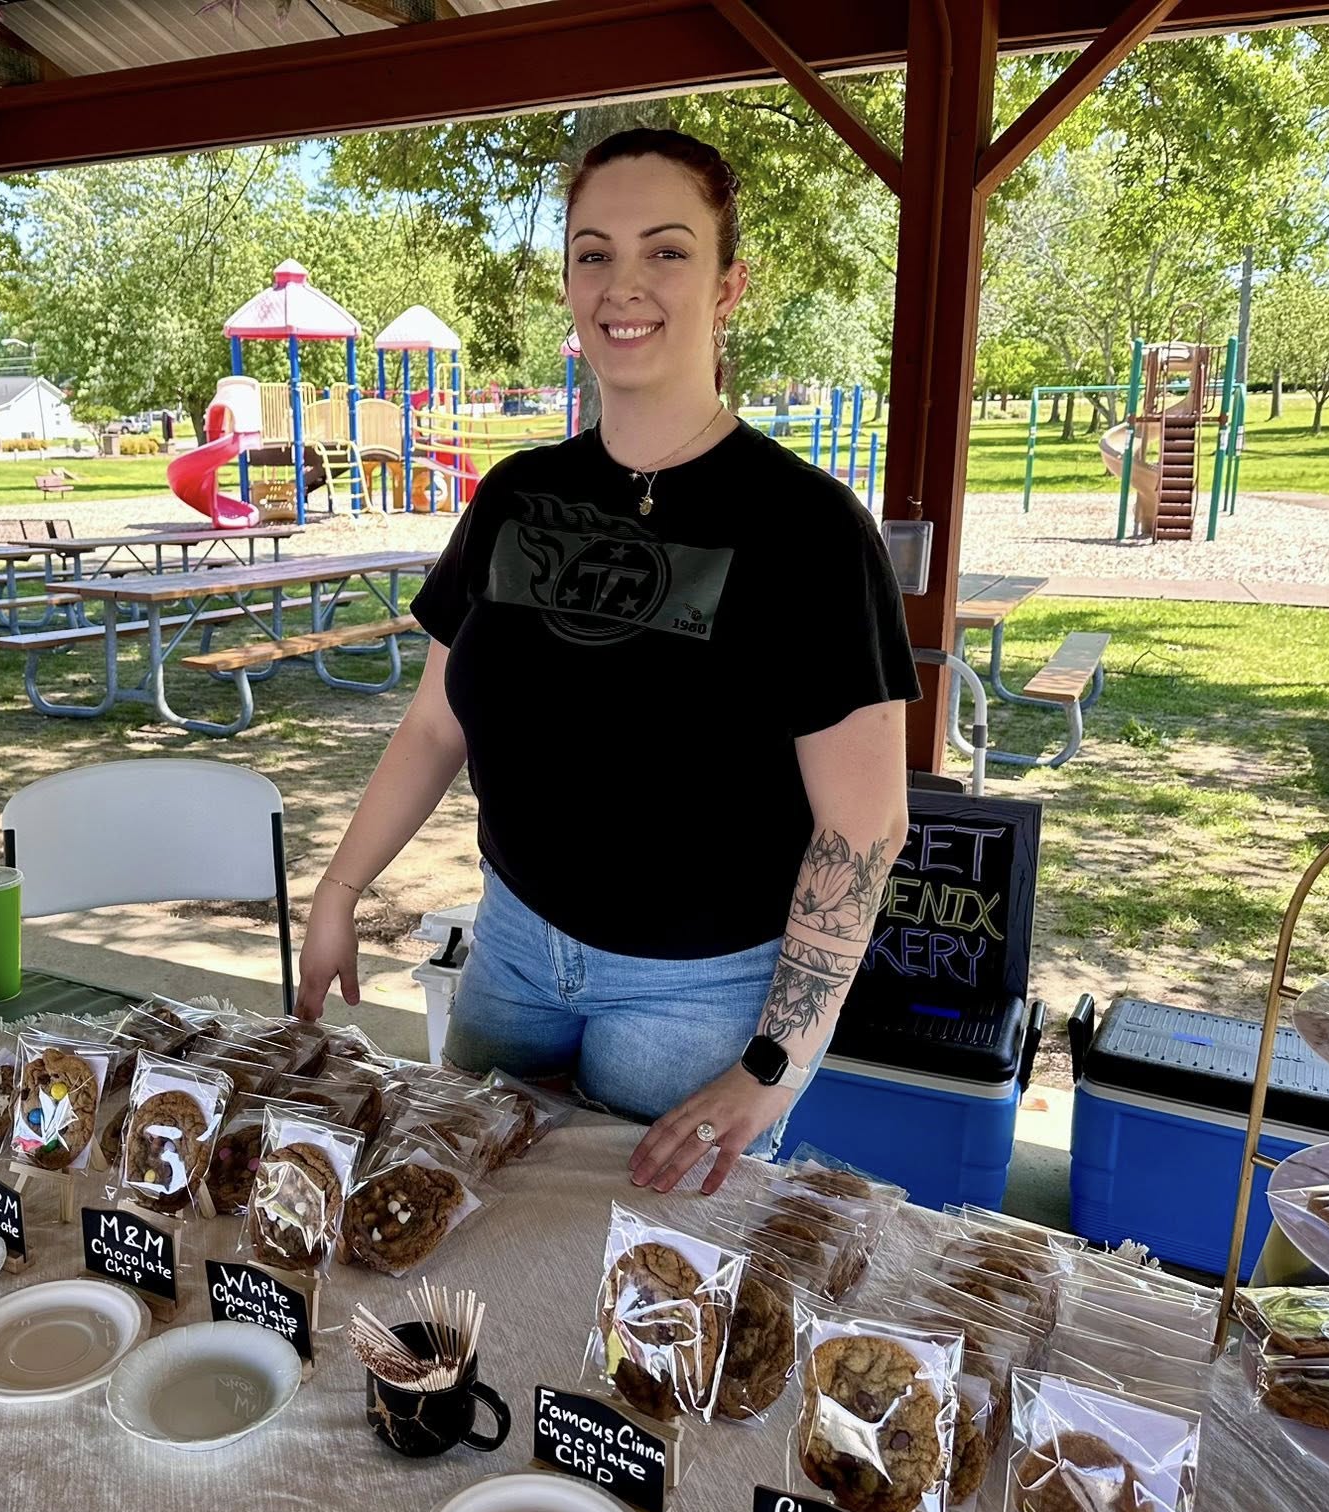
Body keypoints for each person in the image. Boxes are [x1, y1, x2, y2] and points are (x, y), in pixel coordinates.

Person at [295, 129, 917, 1196]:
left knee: (634, 1296)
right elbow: (436, 721)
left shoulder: (807, 530)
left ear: (729, 287)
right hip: (511, 950)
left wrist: (769, 1068)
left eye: (664, 252)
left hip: (698, 994)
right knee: (459, 1219)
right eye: (592, 252)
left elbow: (862, 827)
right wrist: (340, 888)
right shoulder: (515, 495)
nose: (622, 284)